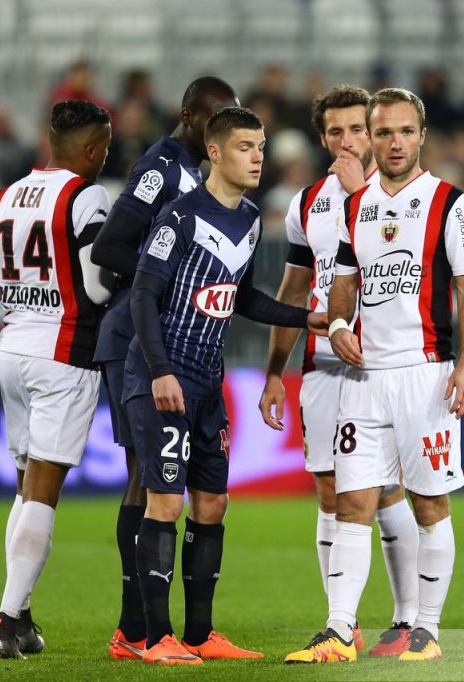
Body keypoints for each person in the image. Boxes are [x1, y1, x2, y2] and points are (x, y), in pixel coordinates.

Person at [285, 87, 464, 664]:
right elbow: (342, 276)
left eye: (404, 132)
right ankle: (339, 629)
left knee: (428, 503)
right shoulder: (356, 205)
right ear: (371, 138)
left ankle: (425, 629)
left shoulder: (451, 202)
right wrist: (342, 321)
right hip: (363, 378)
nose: (394, 142)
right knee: (352, 502)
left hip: (425, 375)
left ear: (422, 136)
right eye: (384, 132)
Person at [123, 106, 328, 665]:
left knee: (211, 504)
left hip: (209, 386)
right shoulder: (179, 217)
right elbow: (142, 295)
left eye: (261, 146)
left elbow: (240, 297)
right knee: (164, 502)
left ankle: (199, 634)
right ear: (214, 152)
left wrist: (302, 316)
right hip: (164, 377)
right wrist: (161, 370)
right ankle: (153, 638)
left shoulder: (252, 218)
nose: (258, 155)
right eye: (245, 146)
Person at [0, 100, 116, 659]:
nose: (106, 154)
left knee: (24, 486)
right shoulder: (87, 197)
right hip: (63, 354)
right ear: (89, 149)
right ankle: (6, 623)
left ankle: (24, 615)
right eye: (104, 145)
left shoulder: (4, 196)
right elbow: (98, 288)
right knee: (44, 489)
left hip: (11, 354)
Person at [257, 84, 420, 656]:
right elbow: (295, 287)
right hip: (323, 363)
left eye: (358, 129)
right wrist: (275, 369)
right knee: (328, 490)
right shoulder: (308, 203)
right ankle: (339, 625)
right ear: (322, 137)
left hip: (389, 365)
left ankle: (406, 622)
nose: (348, 141)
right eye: (336, 132)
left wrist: (360, 197)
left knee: (384, 491)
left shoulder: (404, 195)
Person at [89, 75, 238, 662]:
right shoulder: (162, 167)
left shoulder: (198, 172)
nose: (222, 129)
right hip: (136, 336)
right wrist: (170, 281)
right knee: (149, 482)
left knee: (149, 481)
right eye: (214, 117)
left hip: (164, 339)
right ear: (187, 115)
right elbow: (108, 247)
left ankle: (160, 630)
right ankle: (138, 630)